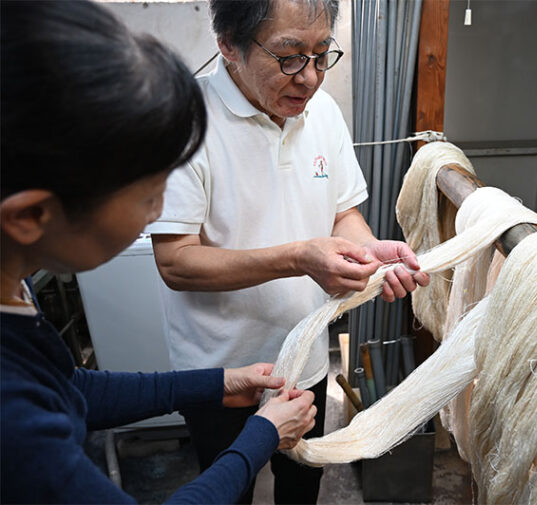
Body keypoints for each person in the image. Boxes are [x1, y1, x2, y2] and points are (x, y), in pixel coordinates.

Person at [0, 1, 316, 503]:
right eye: (149, 192)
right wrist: (263, 436)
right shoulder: (15, 424)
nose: (158, 212)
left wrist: (216, 382)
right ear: (30, 216)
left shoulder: (12, 291)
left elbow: (71, 387)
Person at [148, 0, 431, 503]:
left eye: (323, 55)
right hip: (222, 373)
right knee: (225, 486)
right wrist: (299, 257)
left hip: (303, 357)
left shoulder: (321, 111)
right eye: (289, 57)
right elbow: (176, 261)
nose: (310, 78)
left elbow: (342, 213)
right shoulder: (183, 122)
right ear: (228, 46)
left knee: (303, 481)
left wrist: (371, 254)